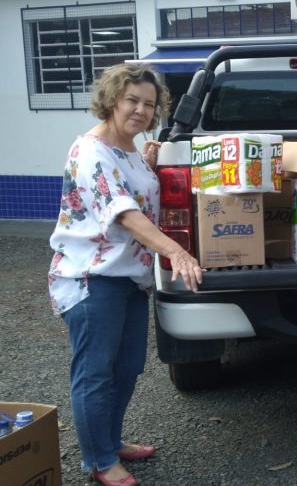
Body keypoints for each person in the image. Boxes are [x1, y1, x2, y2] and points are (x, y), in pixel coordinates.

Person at [48, 63, 203, 486]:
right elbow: (123, 213)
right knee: (96, 370)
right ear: (112, 99)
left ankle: (111, 441)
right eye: (131, 100)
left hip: (130, 277)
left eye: (149, 104)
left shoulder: (131, 148)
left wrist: (148, 163)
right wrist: (177, 252)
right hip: (92, 277)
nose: (140, 110)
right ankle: (99, 461)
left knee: (128, 366)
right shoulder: (91, 150)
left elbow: (135, 189)